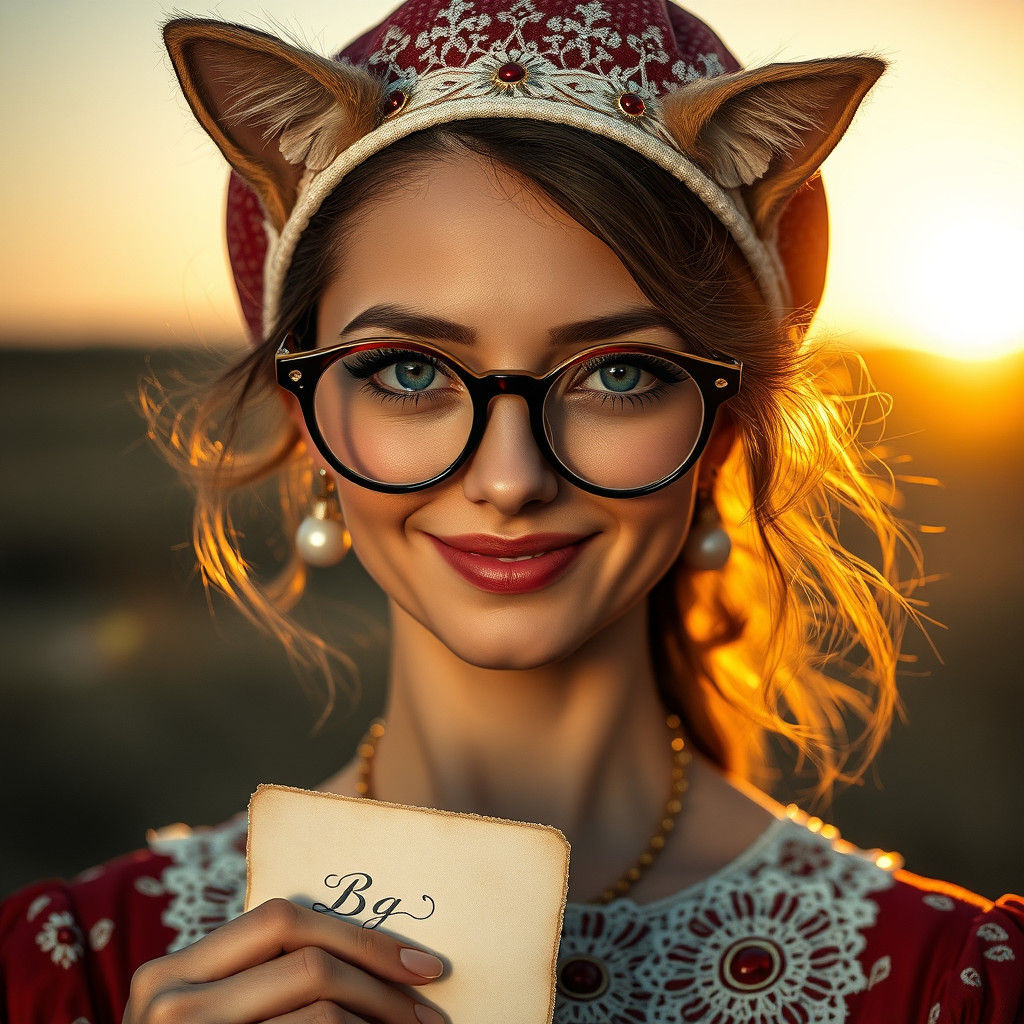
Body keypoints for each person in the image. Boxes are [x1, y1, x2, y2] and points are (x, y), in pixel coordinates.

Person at [2, 1, 1021, 1021]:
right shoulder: (76, 975)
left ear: (720, 430)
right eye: (406, 369)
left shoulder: (953, 988)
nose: (509, 476)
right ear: (304, 417)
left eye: (618, 373)